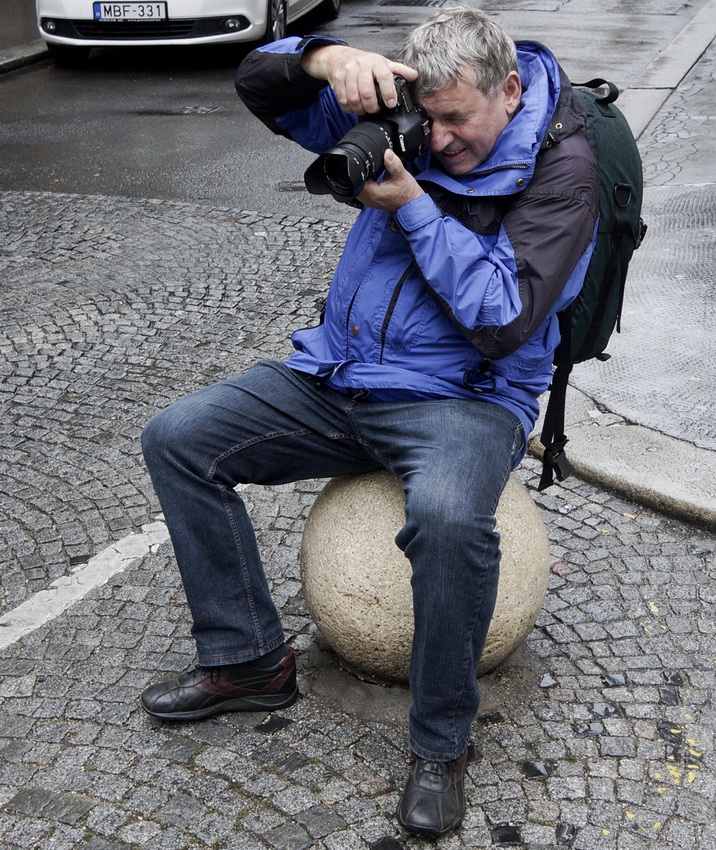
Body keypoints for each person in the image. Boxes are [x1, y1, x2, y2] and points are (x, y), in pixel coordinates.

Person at [139, 6, 598, 837]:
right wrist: (324, 59)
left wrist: (415, 205)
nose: (441, 140)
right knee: (178, 439)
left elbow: (503, 319)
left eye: (458, 120)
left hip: (465, 399)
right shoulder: (409, 111)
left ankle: (441, 743)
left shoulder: (564, 170)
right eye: (431, 119)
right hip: (341, 375)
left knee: (450, 519)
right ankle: (248, 661)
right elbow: (258, 83)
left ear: (510, 89)